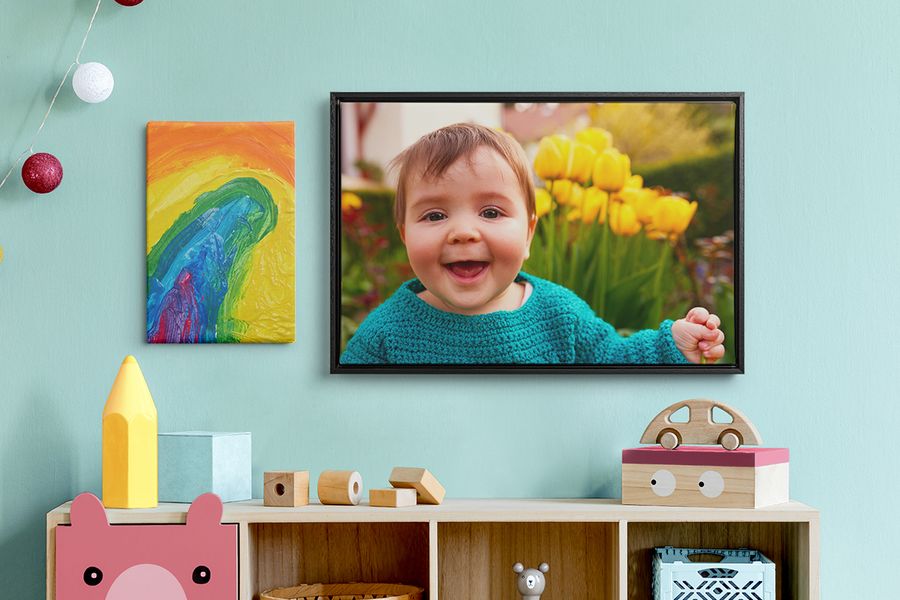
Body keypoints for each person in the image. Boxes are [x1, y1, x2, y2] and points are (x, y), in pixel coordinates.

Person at [340, 123, 725, 365]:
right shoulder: (385, 334)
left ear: (528, 234)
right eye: (434, 216)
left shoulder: (559, 314)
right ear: (405, 236)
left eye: (490, 213)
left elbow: (614, 359)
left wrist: (669, 345)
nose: (463, 232)